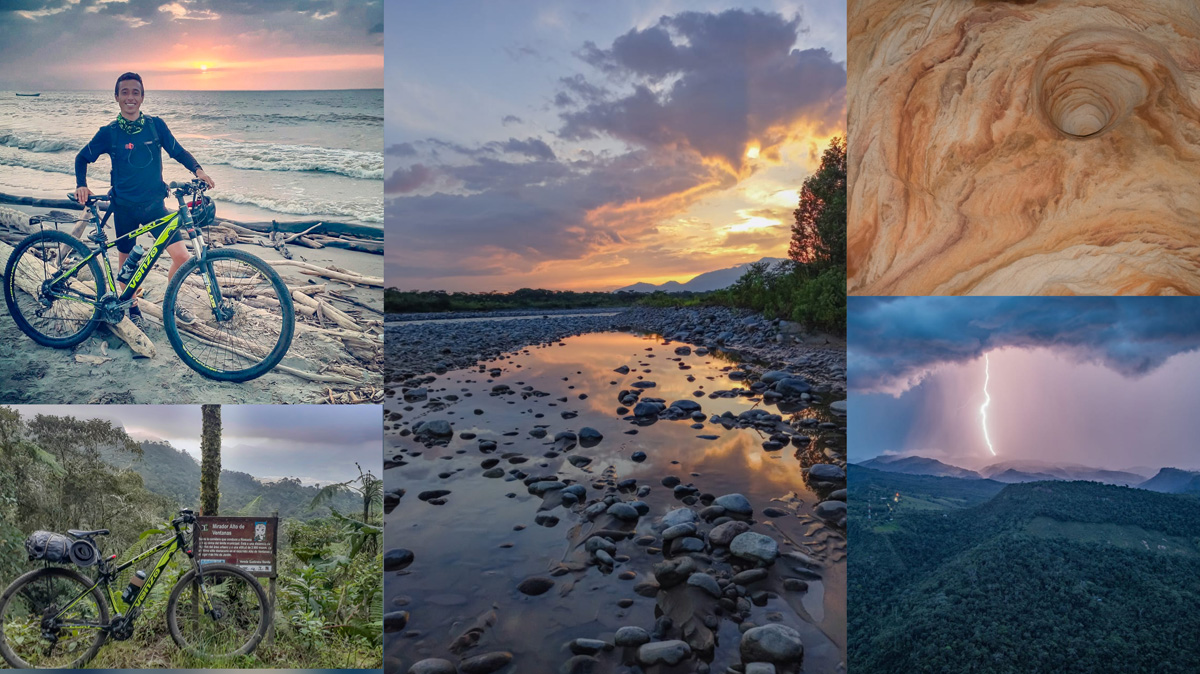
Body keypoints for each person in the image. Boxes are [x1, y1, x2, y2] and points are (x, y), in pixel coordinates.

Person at [74, 72, 215, 325]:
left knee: (182, 258)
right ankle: (132, 306)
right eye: (125, 92)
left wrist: (198, 170)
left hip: (155, 207)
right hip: (124, 208)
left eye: (135, 92)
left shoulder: (155, 125)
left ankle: (172, 301)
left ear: (142, 97)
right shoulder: (109, 133)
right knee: (126, 271)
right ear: (116, 97)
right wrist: (81, 185)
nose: (130, 97)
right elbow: (81, 157)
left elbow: (178, 151)